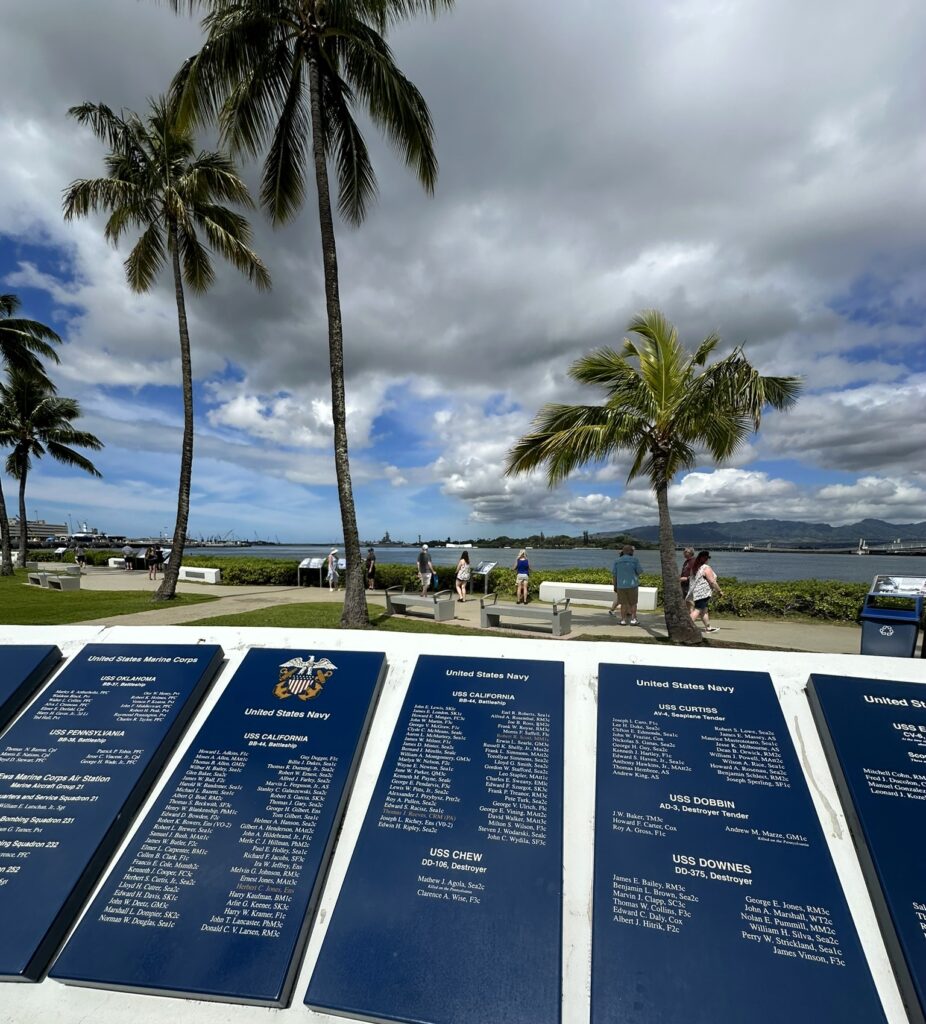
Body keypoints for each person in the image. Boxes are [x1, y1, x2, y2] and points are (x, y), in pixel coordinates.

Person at [687, 550, 724, 632]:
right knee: (698, 610)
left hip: (696, 592)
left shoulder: (695, 567)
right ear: (706, 559)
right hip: (703, 593)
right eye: (708, 558)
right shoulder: (706, 568)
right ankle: (686, 626)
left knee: (704, 611)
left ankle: (708, 628)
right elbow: (712, 581)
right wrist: (719, 591)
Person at [609, 544, 643, 624]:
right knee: (633, 603)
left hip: (621, 586)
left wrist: (615, 586)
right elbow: (639, 571)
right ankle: (633, 619)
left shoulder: (617, 561)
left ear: (623, 551)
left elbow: (614, 574)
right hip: (632, 585)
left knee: (623, 604)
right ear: (631, 552)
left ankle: (623, 620)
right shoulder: (635, 560)